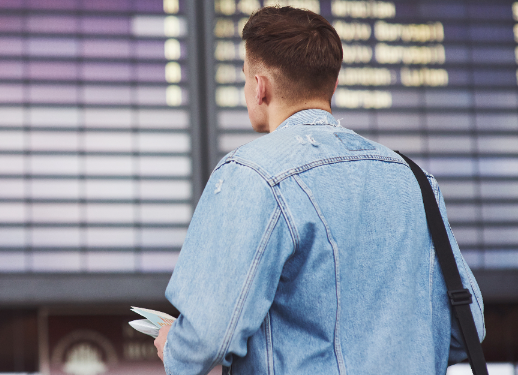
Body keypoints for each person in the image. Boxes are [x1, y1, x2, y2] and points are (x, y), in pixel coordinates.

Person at [153, 6, 484, 375]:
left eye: (245, 77)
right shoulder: (415, 179)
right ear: (333, 85)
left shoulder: (252, 173)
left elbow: (208, 334)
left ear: (260, 87)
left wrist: (175, 350)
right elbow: (467, 326)